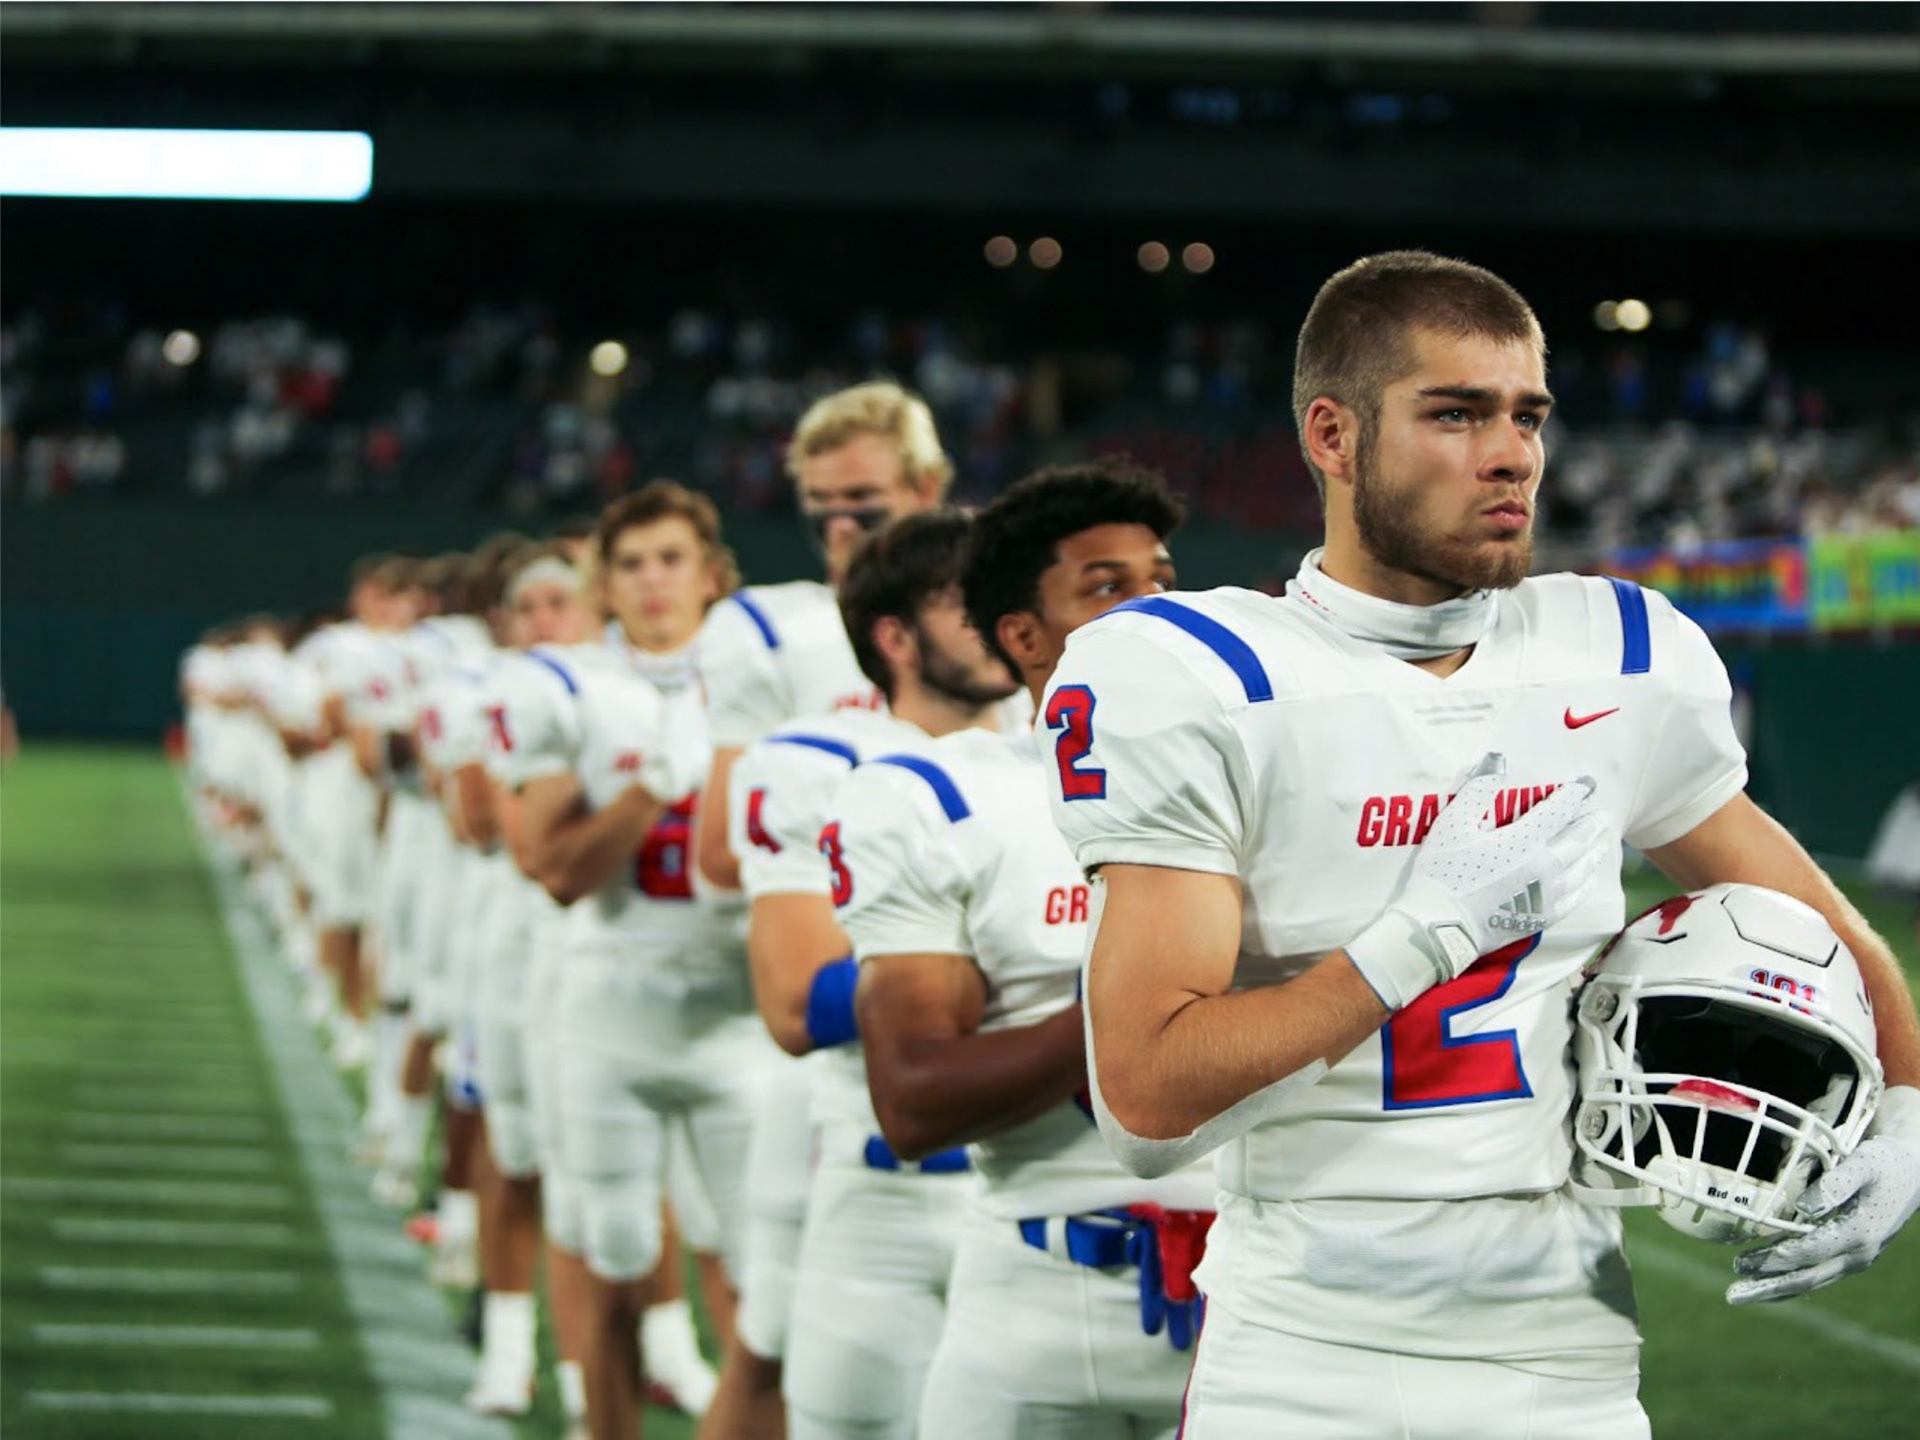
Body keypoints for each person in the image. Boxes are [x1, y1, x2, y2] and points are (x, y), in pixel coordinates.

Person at [1040, 250, 1920, 1437]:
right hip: (1302, 1360)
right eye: (1453, 414)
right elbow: (1146, 1100)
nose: (1510, 453)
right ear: (1333, 436)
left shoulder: (1612, 652)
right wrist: (1423, 939)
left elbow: (1824, 926)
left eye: (1526, 415)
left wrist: (1911, 1113)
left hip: (1565, 1358)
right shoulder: (1201, 675)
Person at [830, 459, 1212, 1439]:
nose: (1154, 610)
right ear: (1022, 637)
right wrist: (1133, 1015)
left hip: (1254, 1296)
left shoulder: (1265, 781)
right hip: (1035, 1296)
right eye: (1107, 587)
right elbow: (913, 1099)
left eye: (1161, 580)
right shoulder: (936, 796)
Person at [692, 379, 951, 1440]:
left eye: (867, 507)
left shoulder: (990, 620)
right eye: (825, 511)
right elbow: (720, 850)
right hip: (840, 1036)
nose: (843, 531)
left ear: (929, 488)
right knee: (774, 1342)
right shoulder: (768, 632)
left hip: (976, 1045)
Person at [726, 509, 1019, 1440]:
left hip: (1026, 1192)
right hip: (883, 1196)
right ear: (895, 637)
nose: (999, 621)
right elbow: (798, 1001)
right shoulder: (816, 761)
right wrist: (1010, 964)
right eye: (964, 605)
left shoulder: (1066, 756)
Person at [516, 482, 762, 1440]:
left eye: (671, 559)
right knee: (614, 1266)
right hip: (611, 1012)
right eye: (630, 563)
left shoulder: (769, 675)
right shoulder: (566, 686)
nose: (653, 581)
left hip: (743, 1022)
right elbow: (555, 871)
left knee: (769, 1288)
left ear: (711, 573)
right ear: (603, 583)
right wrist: (647, 792)